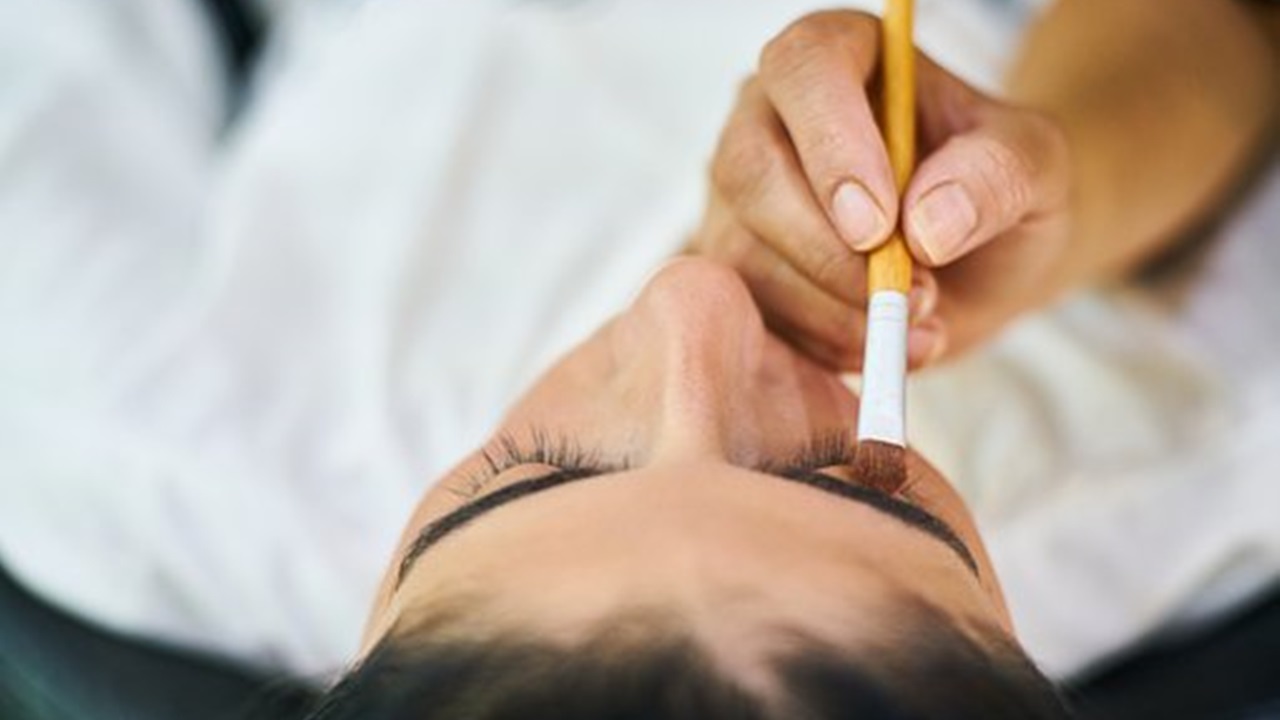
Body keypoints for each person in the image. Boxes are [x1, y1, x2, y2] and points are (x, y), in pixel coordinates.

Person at [0, 0, 1275, 718]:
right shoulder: (1201, 462)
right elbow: (1221, 34)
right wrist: (1071, 179)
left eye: (522, 469)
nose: (687, 298)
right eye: (848, 471)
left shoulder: (124, 430)